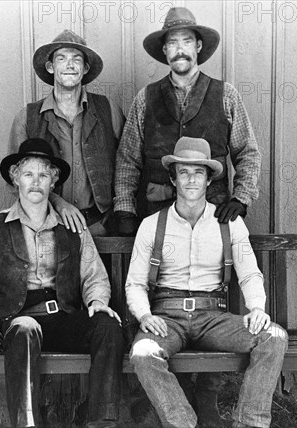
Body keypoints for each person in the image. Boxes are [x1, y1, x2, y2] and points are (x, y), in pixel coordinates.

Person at [114, 7, 262, 424]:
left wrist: (242, 197)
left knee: (213, 298)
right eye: (171, 43)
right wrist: (125, 209)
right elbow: (127, 159)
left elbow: (248, 152)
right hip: (155, 217)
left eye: (186, 41)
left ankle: (208, 402)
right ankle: (151, 406)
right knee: (153, 306)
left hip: (214, 215)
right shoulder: (146, 98)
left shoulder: (225, 94)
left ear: (199, 47)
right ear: (164, 51)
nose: (179, 50)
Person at [0, 138, 123, 428]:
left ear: (54, 182)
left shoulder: (72, 227)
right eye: (28, 174)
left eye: (43, 175)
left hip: (64, 318)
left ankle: (101, 422)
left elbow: (94, 276)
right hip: (20, 322)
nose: (35, 182)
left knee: (108, 327)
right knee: (25, 328)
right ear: (15, 179)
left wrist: (97, 302)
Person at [125, 137, 287, 428]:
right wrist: (145, 315)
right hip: (167, 318)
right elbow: (135, 283)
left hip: (213, 317)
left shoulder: (230, 223)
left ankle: (249, 422)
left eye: (198, 172)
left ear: (208, 179)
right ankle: (183, 423)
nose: (191, 179)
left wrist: (257, 308)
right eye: (184, 172)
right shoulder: (151, 225)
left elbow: (249, 273)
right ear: (173, 179)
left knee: (273, 337)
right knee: (142, 353)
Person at [10, 30, 125, 237]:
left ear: (85, 68)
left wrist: (111, 220)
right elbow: (16, 177)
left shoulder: (109, 110)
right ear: (50, 67)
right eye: (61, 58)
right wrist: (57, 202)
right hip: (46, 226)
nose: (70, 65)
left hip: (101, 227)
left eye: (77, 59)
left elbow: (128, 166)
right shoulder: (27, 117)